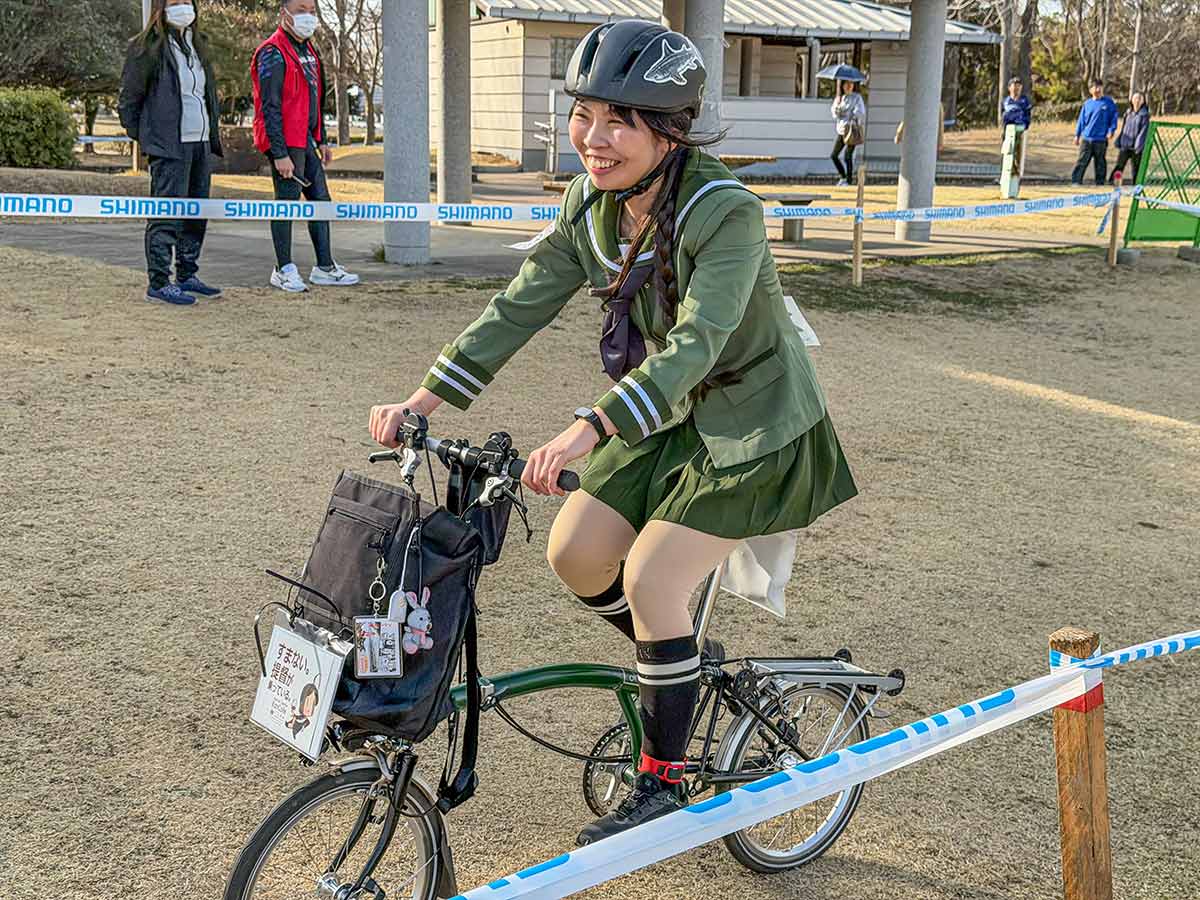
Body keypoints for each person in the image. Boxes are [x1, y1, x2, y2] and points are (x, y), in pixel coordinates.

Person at [369, 20, 856, 845]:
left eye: (619, 121)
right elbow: (520, 302)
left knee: (655, 580)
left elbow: (700, 340)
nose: (594, 139)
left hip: (752, 423)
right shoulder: (590, 205)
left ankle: (663, 784)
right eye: (584, 114)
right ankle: (677, 671)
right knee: (575, 553)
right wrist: (425, 401)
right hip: (668, 415)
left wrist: (592, 425)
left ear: (670, 129)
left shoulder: (723, 211)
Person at [118, 0, 224, 306]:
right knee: (167, 216)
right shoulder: (145, 47)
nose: (182, 7)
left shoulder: (198, 43)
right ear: (160, 8)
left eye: (186, 1)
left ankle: (187, 274)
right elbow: (128, 100)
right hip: (169, 147)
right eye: (174, 2)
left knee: (195, 214)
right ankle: (159, 282)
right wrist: (149, 137)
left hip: (200, 143)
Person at [251, 0, 359, 292]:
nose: (308, 17)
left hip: (305, 140)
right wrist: (279, 153)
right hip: (285, 142)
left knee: (320, 202)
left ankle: (324, 266)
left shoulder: (309, 50)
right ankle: (283, 269)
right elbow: (269, 107)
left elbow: (315, 98)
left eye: (312, 11)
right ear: (284, 13)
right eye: (301, 10)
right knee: (285, 205)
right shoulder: (272, 52)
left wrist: (321, 138)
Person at [1071, 79, 1119, 186]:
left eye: (1099, 87)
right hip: (1087, 138)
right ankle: (1076, 181)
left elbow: (1113, 118)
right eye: (1095, 87)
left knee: (1100, 163)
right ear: (1090, 90)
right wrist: (1077, 135)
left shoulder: (1109, 102)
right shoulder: (1087, 104)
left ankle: (1100, 183)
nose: (1098, 89)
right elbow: (1081, 120)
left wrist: (1111, 130)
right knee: (1082, 161)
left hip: (1101, 139)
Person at [830, 80, 866, 186]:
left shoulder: (857, 97)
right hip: (841, 130)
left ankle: (849, 181)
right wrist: (837, 111)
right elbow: (834, 113)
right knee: (834, 155)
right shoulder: (839, 98)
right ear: (843, 86)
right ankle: (843, 176)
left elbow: (860, 112)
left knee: (848, 156)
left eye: (851, 84)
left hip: (851, 130)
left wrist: (851, 113)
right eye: (846, 84)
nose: (849, 86)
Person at [1110, 92, 1150, 184]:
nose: (1137, 100)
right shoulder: (1128, 113)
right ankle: (1114, 182)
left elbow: (1143, 132)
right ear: (1131, 100)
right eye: (1135, 98)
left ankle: (1136, 185)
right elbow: (1124, 128)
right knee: (1119, 166)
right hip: (1125, 144)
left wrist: (1138, 146)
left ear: (1143, 101)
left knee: (1136, 168)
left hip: (1136, 147)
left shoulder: (1145, 115)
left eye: (1140, 98)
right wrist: (1120, 140)